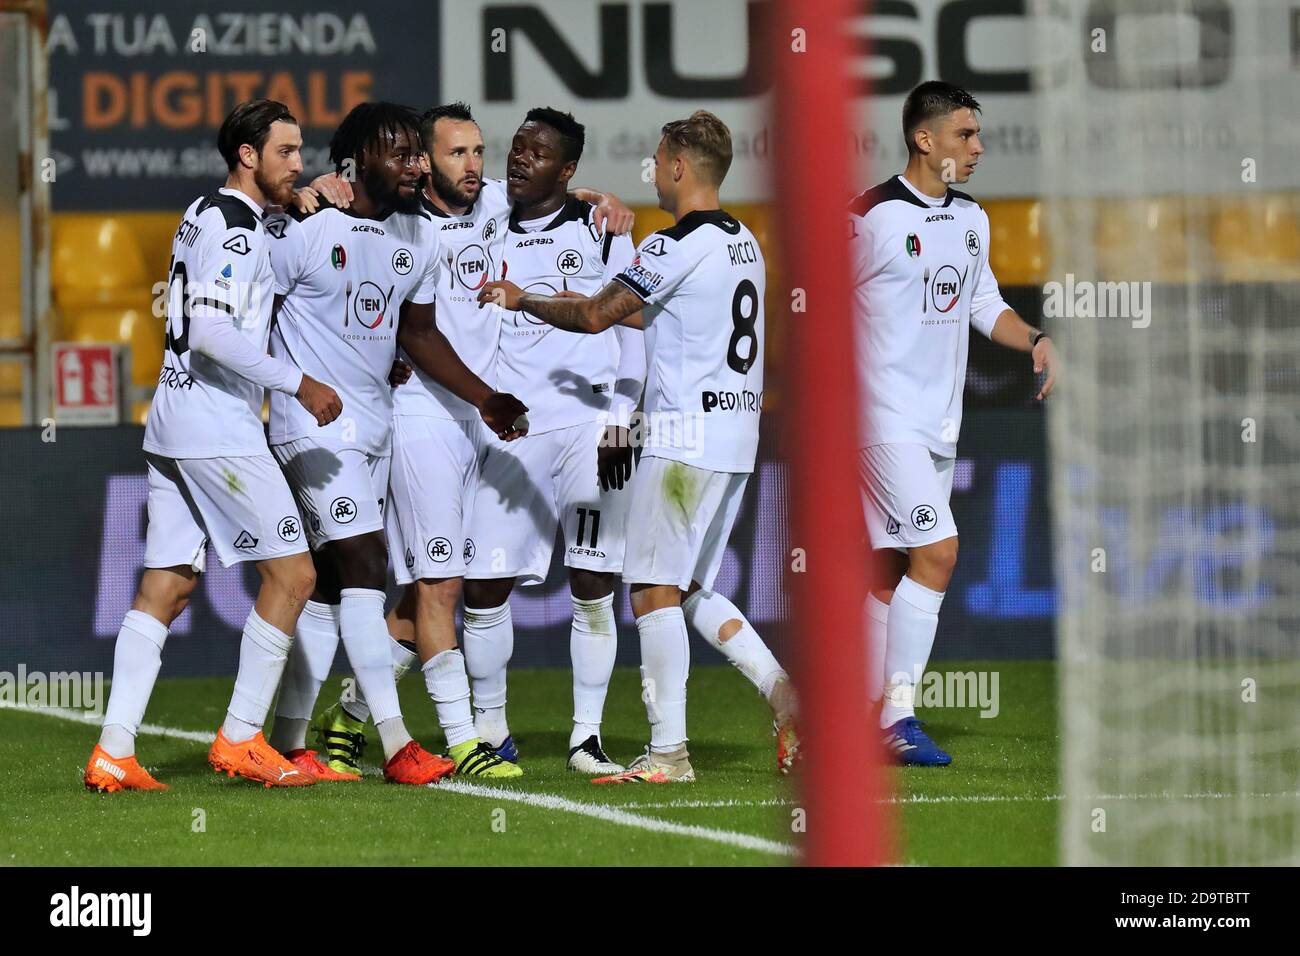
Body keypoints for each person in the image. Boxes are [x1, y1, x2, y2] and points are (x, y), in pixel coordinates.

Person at [480, 110, 797, 782]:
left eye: (656, 160)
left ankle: (667, 753)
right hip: (738, 436)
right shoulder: (744, 242)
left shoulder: (668, 246)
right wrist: (572, 292)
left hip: (682, 439)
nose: (650, 171)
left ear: (680, 167)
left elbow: (597, 316)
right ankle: (781, 690)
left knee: (650, 592)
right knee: (690, 590)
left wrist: (523, 300)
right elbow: (644, 308)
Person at [262, 101, 527, 785]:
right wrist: (277, 383)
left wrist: (480, 397)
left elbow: (416, 332)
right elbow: (251, 305)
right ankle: (397, 741)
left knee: (323, 591)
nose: (413, 164)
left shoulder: (417, 238)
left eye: (417, 151)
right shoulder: (308, 226)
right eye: (399, 152)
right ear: (353, 164)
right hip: (314, 429)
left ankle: (290, 741)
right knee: (368, 564)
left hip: (375, 428)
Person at [84, 99, 342, 792]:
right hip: (216, 427)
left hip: (172, 418)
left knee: (166, 587)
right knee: (295, 578)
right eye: (287, 151)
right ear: (249, 156)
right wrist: (299, 383)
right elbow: (211, 332)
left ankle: (113, 750)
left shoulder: (207, 211)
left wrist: (310, 202)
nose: (299, 162)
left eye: (301, 150)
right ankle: (241, 737)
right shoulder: (237, 232)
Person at [849, 81, 1058, 765]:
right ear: (924, 139)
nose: (978, 148)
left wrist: (1033, 340)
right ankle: (896, 717)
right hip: (878, 416)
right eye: (965, 135)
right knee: (938, 551)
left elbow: (982, 302)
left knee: (890, 569)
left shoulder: (970, 218)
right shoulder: (868, 218)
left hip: (937, 422)